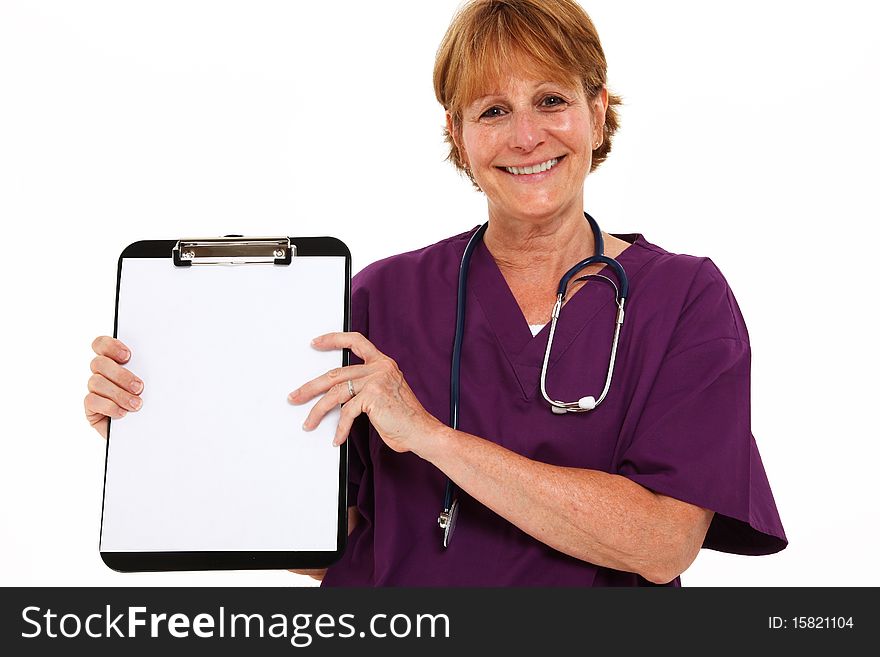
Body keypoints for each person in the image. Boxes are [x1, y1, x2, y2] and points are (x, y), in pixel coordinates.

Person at [85, 0, 786, 586]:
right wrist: (164, 428)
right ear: (456, 132)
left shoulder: (684, 298)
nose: (526, 135)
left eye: (551, 100)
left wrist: (429, 437)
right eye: (491, 111)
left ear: (596, 113)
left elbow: (662, 544)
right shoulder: (376, 300)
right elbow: (332, 540)